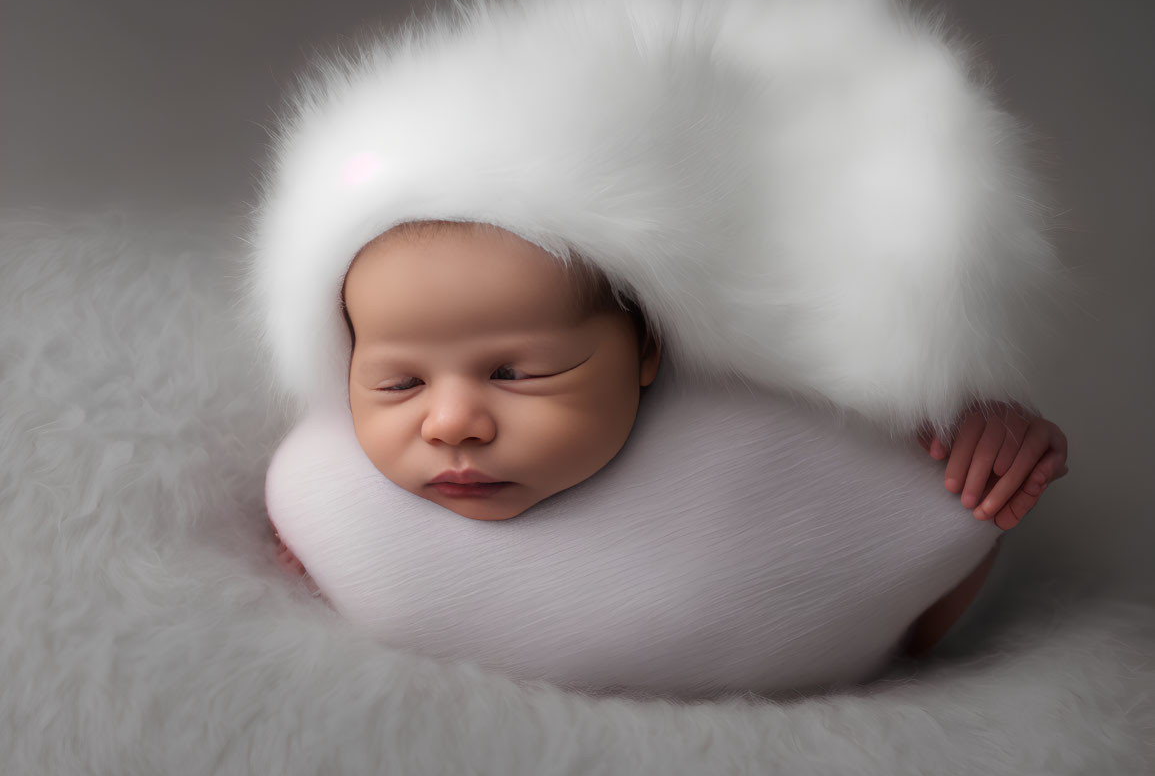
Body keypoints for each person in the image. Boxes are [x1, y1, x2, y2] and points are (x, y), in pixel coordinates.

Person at [271, 218, 1069, 656]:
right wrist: (322, 545)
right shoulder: (333, 479)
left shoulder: (789, 436)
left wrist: (986, 475)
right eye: (398, 383)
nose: (449, 425)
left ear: (647, 348)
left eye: (516, 374)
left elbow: (924, 622)